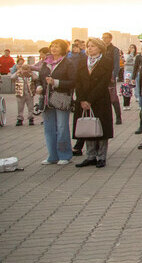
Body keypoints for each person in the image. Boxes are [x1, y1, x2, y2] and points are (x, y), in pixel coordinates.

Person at [73, 38, 114, 168]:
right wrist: (82, 99)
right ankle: (90, 156)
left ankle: (101, 157)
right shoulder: (81, 61)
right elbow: (77, 82)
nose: (89, 48)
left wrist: (90, 99)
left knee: (101, 129)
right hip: (84, 100)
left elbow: (103, 83)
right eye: (88, 46)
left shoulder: (106, 61)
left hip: (100, 99)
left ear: (100, 48)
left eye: (92, 46)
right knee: (87, 127)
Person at [38, 39, 77, 165]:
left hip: (61, 97)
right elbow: (40, 78)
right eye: (52, 46)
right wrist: (39, 86)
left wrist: (56, 82)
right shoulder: (46, 63)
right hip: (46, 98)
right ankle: (52, 156)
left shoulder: (68, 63)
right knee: (48, 128)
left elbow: (73, 82)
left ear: (63, 49)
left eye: (57, 46)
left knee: (62, 127)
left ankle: (64, 155)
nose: (54, 48)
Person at [101, 33, 122, 125]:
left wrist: (113, 76)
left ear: (110, 39)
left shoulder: (114, 50)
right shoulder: (101, 49)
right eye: (103, 38)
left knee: (113, 98)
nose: (104, 39)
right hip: (101, 76)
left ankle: (118, 117)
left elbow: (117, 65)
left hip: (110, 77)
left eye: (106, 38)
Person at [122, 45, 137, 110]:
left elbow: (136, 62)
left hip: (134, 71)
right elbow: (127, 60)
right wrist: (131, 53)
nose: (131, 48)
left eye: (133, 47)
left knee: (136, 85)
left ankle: (137, 97)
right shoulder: (126, 55)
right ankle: (126, 104)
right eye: (130, 47)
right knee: (127, 86)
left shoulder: (136, 56)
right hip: (128, 71)